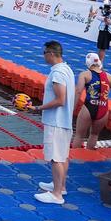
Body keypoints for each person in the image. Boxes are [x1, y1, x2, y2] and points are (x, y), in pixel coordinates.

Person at [32, 40, 75, 204]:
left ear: (51, 53)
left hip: (56, 121)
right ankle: (60, 186)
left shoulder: (57, 73)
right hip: (64, 121)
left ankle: (57, 195)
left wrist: (38, 108)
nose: (43, 56)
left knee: (56, 158)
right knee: (63, 156)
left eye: (44, 53)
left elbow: (60, 100)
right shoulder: (67, 69)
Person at [72, 52, 111, 149]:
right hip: (103, 109)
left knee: (79, 135)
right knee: (94, 135)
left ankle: (74, 156)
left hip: (88, 107)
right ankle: (89, 155)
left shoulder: (84, 75)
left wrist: (72, 107)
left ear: (87, 63)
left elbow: (78, 91)